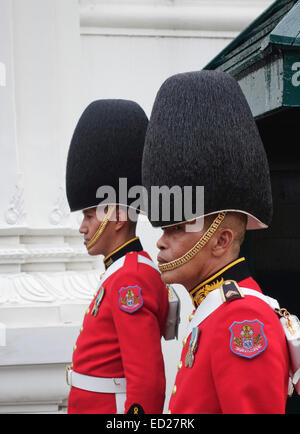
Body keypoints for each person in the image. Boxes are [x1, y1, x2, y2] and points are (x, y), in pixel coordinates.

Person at [142, 70, 291, 414]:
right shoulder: (213, 312)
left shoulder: (244, 322)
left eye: (176, 228)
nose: (161, 243)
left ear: (221, 240)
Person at [65, 99, 172, 414]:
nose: (83, 227)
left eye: (89, 215)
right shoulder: (121, 273)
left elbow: (147, 381)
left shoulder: (131, 280)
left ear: (118, 215)